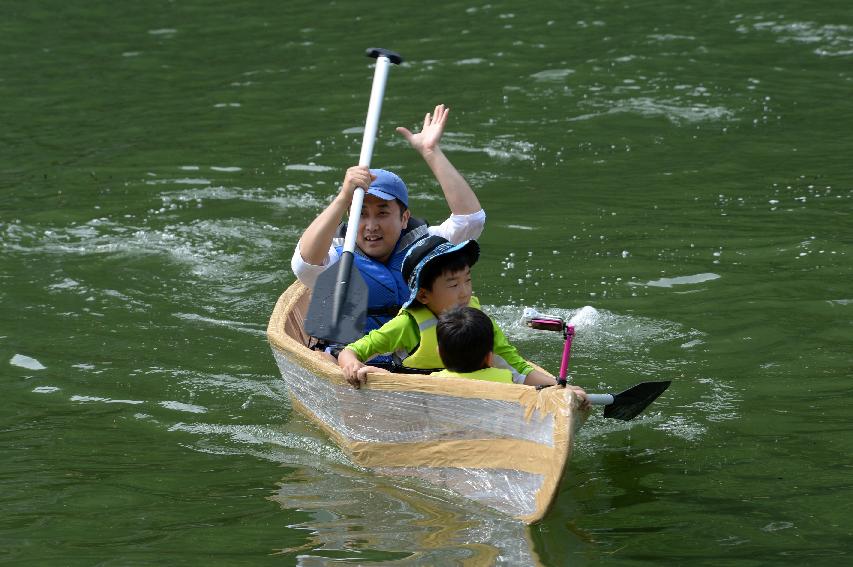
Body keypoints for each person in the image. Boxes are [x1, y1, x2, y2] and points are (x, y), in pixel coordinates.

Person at [291, 104, 485, 337]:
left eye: (382, 213)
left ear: (404, 218)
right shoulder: (335, 256)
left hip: (419, 358)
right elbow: (305, 264)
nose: (371, 226)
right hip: (354, 359)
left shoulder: (427, 247)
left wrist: (431, 151)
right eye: (361, 214)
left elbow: (471, 220)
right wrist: (344, 197)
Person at [337, 235, 560, 388]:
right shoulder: (407, 325)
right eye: (453, 285)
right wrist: (352, 365)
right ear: (423, 295)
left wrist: (559, 387)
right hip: (414, 400)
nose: (464, 293)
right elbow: (351, 351)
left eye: (468, 280)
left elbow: (516, 366)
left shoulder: (480, 323)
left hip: (468, 402)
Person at [432, 306, 590, 407]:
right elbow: (543, 397)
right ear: (489, 357)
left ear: (439, 353)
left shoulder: (432, 382)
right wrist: (569, 393)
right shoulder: (505, 379)